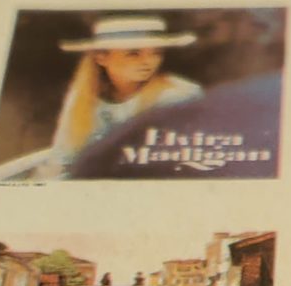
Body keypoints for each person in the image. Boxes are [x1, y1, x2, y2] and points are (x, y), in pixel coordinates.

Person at [49, 14, 202, 175]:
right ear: (101, 57)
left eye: (156, 53)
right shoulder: (83, 97)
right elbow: (64, 157)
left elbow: (176, 164)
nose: (148, 61)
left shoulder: (177, 95)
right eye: (134, 53)